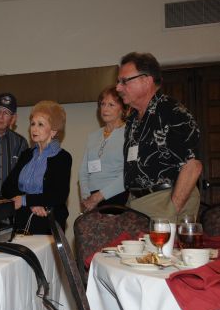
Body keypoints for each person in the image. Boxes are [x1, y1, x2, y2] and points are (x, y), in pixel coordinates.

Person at [116, 52, 202, 221]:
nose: (118, 87)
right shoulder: (133, 118)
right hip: (136, 203)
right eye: (119, 82)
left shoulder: (172, 112)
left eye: (124, 81)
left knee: (164, 248)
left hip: (164, 200)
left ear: (146, 80)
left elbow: (193, 166)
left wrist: (172, 209)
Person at [2, 101, 72, 234]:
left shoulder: (62, 157)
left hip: (47, 221)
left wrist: (25, 199)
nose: (34, 129)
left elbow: (58, 195)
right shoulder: (26, 155)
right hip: (22, 220)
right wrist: (31, 203)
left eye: (40, 124)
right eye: (33, 124)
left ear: (53, 131)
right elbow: (6, 187)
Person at [79, 86, 128, 211]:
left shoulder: (130, 134)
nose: (105, 108)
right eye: (103, 104)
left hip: (116, 197)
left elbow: (129, 174)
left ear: (122, 109)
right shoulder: (93, 136)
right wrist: (86, 197)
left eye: (111, 105)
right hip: (91, 201)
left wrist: (99, 196)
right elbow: (83, 172)